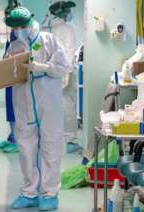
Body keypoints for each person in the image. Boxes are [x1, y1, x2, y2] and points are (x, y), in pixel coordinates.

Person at [4, 7, 70, 211]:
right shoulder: (14, 45)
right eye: (15, 28)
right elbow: (7, 71)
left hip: (48, 102)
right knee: (25, 148)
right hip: (23, 102)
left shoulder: (48, 39)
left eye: (22, 26)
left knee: (50, 146)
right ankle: (29, 192)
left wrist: (41, 67)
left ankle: (50, 193)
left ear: (30, 23)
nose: (19, 30)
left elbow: (64, 66)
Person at [49, 1, 81, 154]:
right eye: (68, 11)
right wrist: (67, 73)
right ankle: (71, 140)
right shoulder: (67, 29)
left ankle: (61, 138)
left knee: (57, 106)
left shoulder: (51, 29)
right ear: (63, 13)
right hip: (65, 72)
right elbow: (68, 52)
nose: (69, 14)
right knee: (68, 106)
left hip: (54, 73)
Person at [0, 5, 19, 154]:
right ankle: (12, 136)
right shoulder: (12, 33)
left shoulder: (19, 34)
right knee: (10, 107)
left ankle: (17, 140)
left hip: (17, 77)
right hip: (10, 75)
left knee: (16, 108)